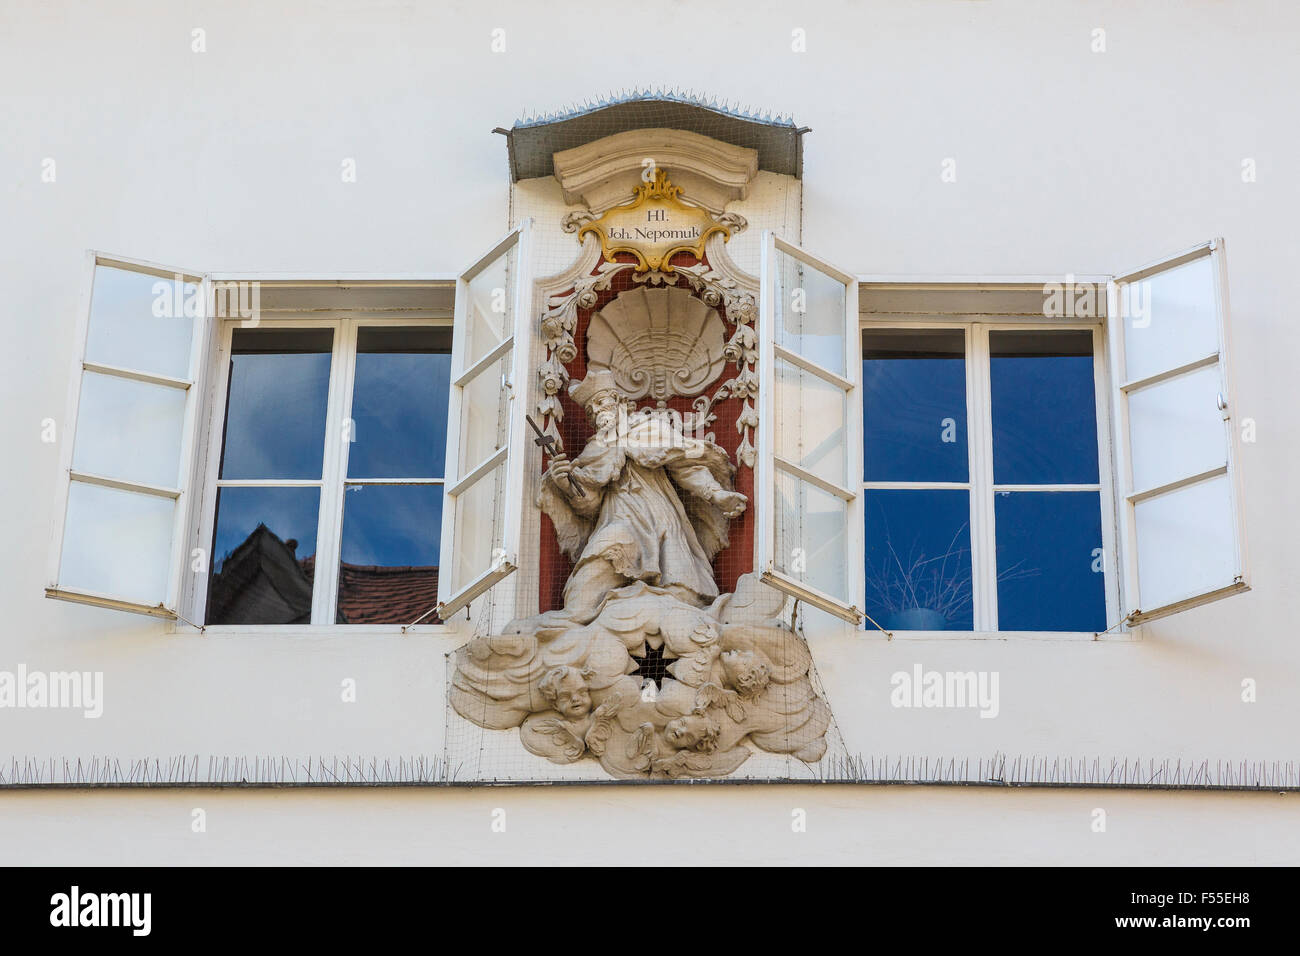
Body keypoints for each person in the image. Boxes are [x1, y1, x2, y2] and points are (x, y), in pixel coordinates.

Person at [539, 369, 746, 623]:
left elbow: (685, 466)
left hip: (660, 520)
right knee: (584, 590)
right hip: (618, 522)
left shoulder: (648, 429)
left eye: (603, 401)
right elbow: (589, 506)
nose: (599, 410)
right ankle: (572, 622)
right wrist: (568, 485)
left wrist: (716, 494)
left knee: (681, 595)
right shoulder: (595, 449)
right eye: (592, 408)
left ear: (619, 403)